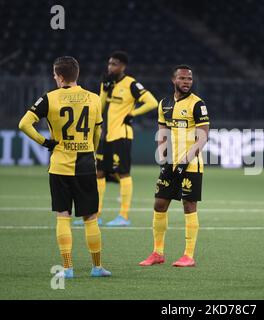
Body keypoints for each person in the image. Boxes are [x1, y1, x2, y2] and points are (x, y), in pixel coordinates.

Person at [18, 56, 111, 278]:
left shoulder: (49, 98)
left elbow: (24, 124)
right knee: (90, 217)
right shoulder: (94, 98)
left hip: (60, 165)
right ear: (76, 74)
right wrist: (92, 150)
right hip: (86, 165)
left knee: (63, 215)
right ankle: (97, 267)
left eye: (54, 74)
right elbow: (98, 132)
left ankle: (67, 268)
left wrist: (46, 142)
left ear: (59, 76)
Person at [139, 65, 210, 267]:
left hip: (191, 164)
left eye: (189, 78)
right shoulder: (165, 104)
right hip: (170, 163)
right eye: (182, 78)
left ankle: (188, 255)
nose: (187, 82)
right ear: (173, 80)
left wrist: (185, 161)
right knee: (159, 204)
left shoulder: (198, 104)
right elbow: (162, 133)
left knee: (189, 206)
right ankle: (157, 253)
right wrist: (163, 158)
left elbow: (203, 136)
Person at [88, 51, 158, 227]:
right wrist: (104, 88)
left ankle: (124, 216)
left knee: (123, 173)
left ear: (123, 66)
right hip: (106, 135)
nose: (110, 67)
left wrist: (133, 113)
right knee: (100, 173)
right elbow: (101, 106)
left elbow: (152, 102)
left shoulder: (131, 84)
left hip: (122, 135)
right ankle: (96, 214)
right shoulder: (108, 83)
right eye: (109, 63)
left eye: (114, 64)